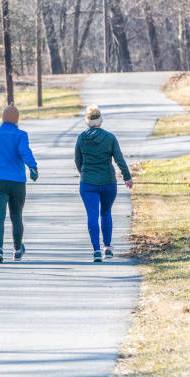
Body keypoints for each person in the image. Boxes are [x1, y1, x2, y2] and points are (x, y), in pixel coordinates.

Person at [0, 105, 38, 264]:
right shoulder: (21, 135)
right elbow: (25, 152)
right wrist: (32, 167)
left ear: (3, 117)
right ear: (17, 119)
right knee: (16, 216)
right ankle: (17, 250)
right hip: (17, 182)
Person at [75, 105, 133, 263]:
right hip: (108, 182)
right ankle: (107, 248)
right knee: (106, 213)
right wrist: (127, 177)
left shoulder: (81, 138)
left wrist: (85, 174)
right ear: (100, 121)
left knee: (92, 215)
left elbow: (78, 161)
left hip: (88, 183)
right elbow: (119, 159)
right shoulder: (110, 137)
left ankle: (96, 251)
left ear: (87, 121)